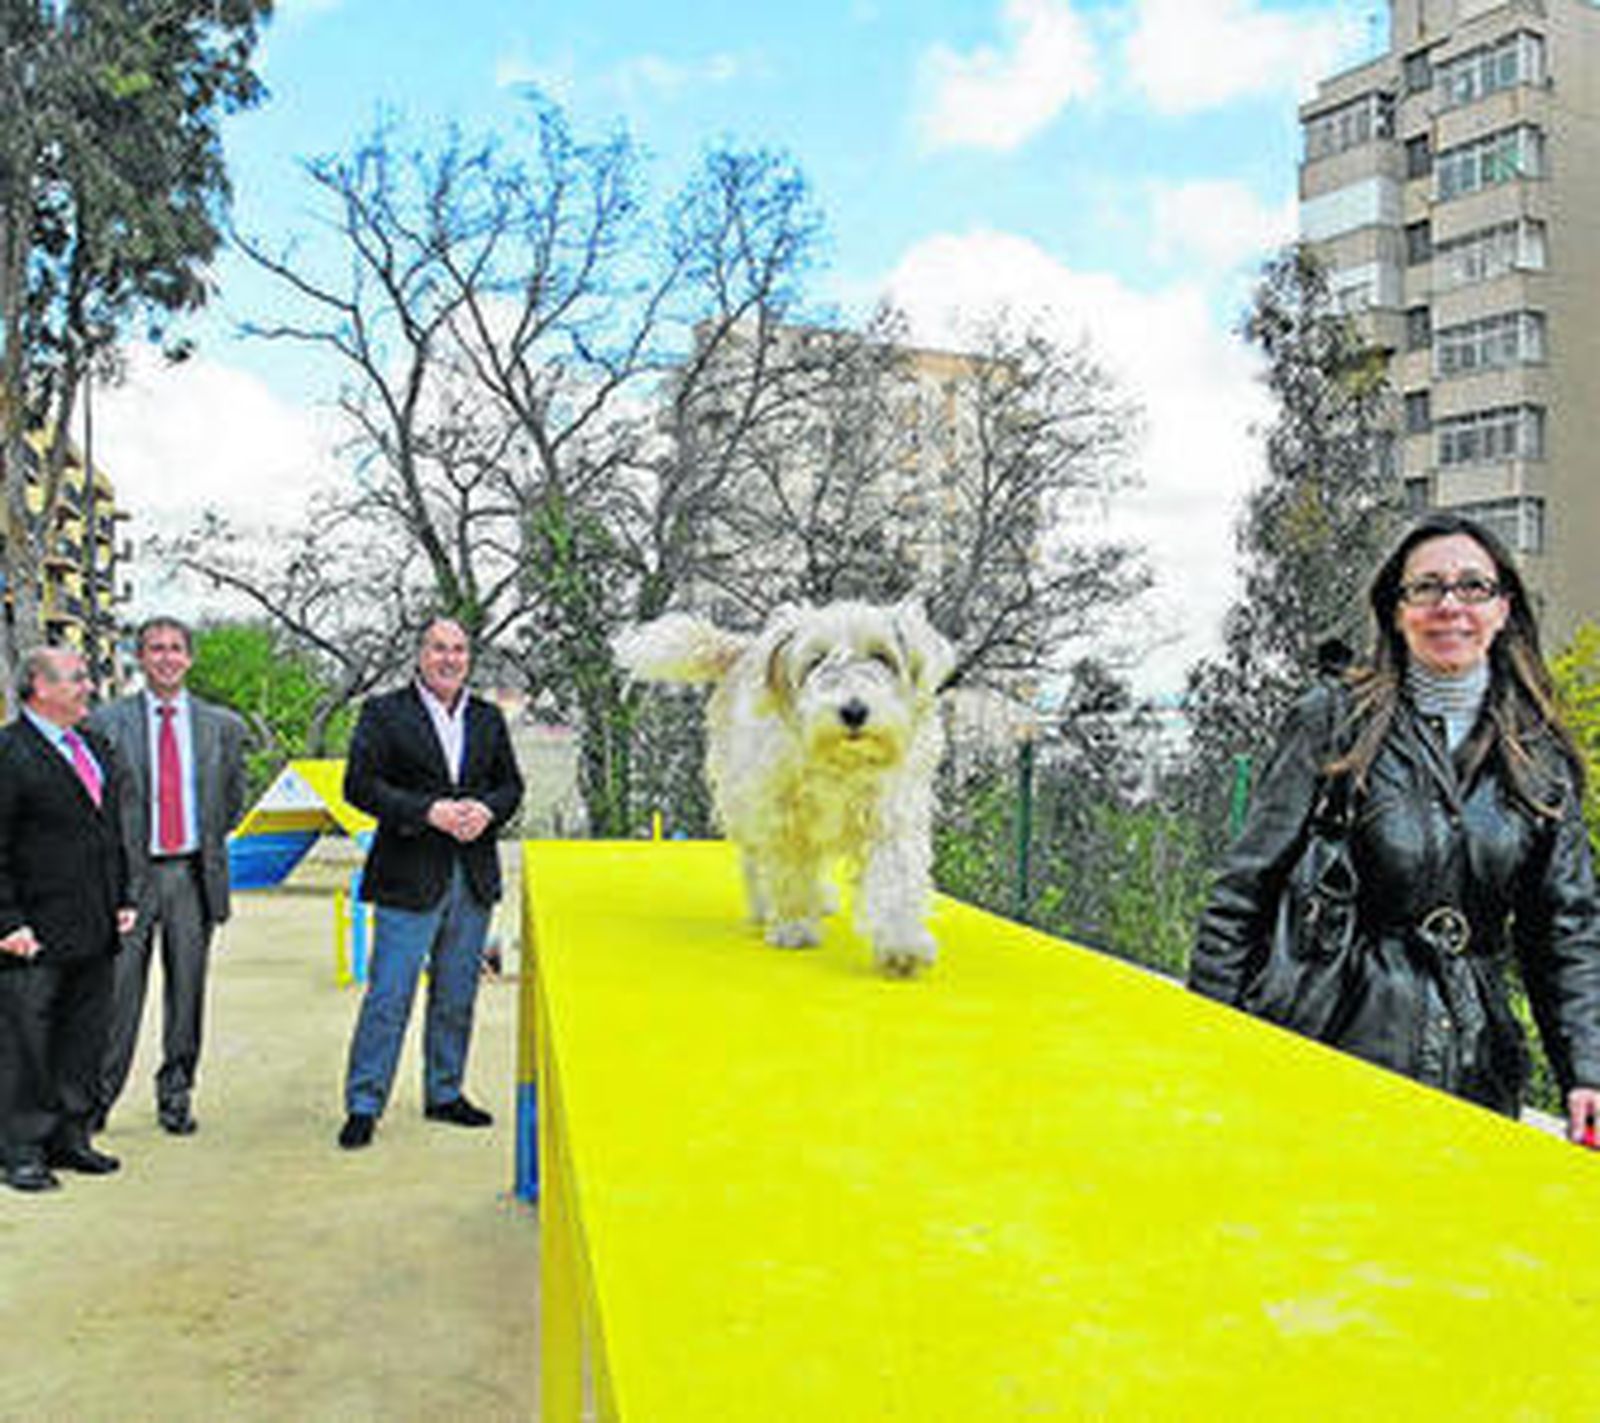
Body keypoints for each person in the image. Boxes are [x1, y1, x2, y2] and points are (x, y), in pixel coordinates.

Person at [1191, 512, 1600, 1141]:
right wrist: (1206, 1041)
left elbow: (1565, 931)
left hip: (1475, 1068)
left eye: (1472, 587)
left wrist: (1587, 1070)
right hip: (1328, 1044)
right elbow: (1245, 889)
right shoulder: (1332, 720)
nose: (1449, 606)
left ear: (1503, 609)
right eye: (1426, 587)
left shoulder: (1538, 755)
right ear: (1397, 609)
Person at [336, 617, 523, 1150]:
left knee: (456, 995)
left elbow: (511, 785)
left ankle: (445, 1093)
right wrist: (428, 811)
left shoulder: (488, 718)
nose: (449, 658)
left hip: (472, 877)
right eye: (439, 648)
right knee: (389, 997)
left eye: (459, 650)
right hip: (407, 877)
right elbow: (359, 785)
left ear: (469, 657)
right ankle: (364, 1104)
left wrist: (487, 810)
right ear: (421, 654)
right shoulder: (384, 713)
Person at [90, 617, 246, 1136]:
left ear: (190, 658)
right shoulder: (106, 723)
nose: (166, 657)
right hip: (130, 881)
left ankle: (176, 1094)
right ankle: (98, 1099)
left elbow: (231, 801)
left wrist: (200, 849)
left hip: (190, 876)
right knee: (118, 994)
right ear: (140, 657)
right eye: (155, 648)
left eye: (176, 648)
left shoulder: (220, 726)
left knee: (187, 992)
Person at [0, 647, 136, 1191]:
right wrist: (7, 921)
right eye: (77, 679)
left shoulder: (94, 747)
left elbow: (109, 835)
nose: (89, 687)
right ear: (39, 687)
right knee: (26, 1042)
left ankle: (70, 1136)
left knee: (83, 1036)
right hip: (31, 930)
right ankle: (21, 1148)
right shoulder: (9, 753)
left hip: (94, 923)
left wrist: (121, 895)